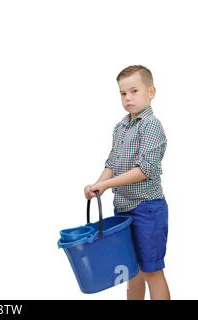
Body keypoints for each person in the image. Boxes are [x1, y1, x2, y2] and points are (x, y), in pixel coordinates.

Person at [84, 65, 170, 300]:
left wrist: (108, 186)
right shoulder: (120, 128)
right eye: (123, 93)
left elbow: (145, 170)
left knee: (151, 270)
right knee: (131, 270)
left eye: (134, 91)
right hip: (123, 209)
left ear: (151, 92)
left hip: (147, 209)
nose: (128, 98)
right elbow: (112, 164)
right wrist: (97, 185)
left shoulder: (151, 126)